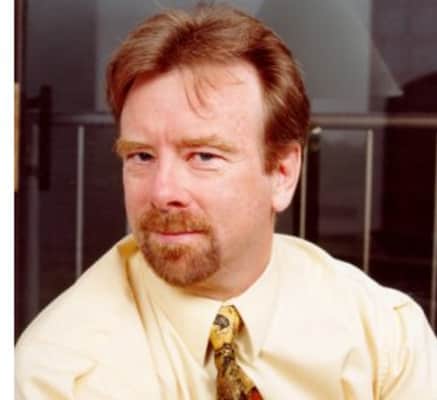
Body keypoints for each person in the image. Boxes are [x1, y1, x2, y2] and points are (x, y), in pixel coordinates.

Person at [15, 4, 437, 400]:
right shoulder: (58, 376)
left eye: (203, 156)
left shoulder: (384, 338)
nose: (162, 192)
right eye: (141, 156)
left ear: (283, 173)